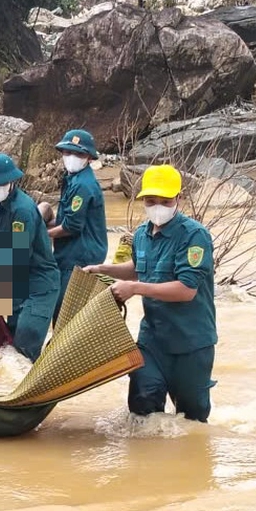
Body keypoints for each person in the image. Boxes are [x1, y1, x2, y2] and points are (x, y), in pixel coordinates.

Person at [83, 164, 217, 422]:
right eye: (151, 200)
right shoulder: (143, 235)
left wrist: (135, 289)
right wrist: (103, 268)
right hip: (152, 340)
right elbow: (138, 269)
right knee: (142, 407)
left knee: (192, 420)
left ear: (178, 198)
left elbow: (187, 290)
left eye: (165, 201)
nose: (158, 207)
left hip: (190, 343)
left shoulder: (194, 236)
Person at [0, 152, 59, 361]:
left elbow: (16, 255)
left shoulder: (22, 210)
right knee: (9, 339)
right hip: (16, 283)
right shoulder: (1, 206)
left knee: (24, 346)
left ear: (11, 182)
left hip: (39, 285)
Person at [46, 128, 108, 316]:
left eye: (78, 153)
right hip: (70, 253)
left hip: (81, 256)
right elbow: (66, 217)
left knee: (65, 311)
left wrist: (42, 235)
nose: (72, 157)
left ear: (89, 157)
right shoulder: (72, 179)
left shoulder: (83, 184)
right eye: (68, 152)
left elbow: (72, 226)